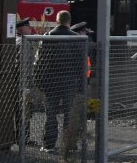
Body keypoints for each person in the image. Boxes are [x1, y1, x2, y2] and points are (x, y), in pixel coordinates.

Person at [36, 10, 86, 153]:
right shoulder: (77, 38)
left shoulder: (48, 36)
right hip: (70, 81)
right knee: (69, 113)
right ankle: (69, 145)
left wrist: (39, 81)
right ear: (69, 22)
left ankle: (49, 144)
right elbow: (81, 63)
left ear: (57, 21)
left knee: (50, 114)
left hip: (51, 81)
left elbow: (40, 61)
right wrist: (82, 84)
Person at [15, 18, 37, 146]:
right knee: (25, 110)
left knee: (19, 110)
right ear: (23, 29)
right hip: (24, 82)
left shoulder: (14, 40)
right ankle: (24, 138)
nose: (30, 30)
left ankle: (20, 136)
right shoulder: (24, 43)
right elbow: (25, 66)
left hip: (16, 81)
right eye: (29, 28)